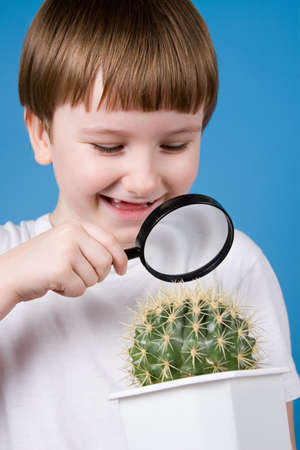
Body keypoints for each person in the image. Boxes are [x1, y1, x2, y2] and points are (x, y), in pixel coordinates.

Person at [0, 0, 298, 448]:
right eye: (107, 146)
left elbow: (271, 435)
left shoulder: (235, 264)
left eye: (175, 144)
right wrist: (9, 279)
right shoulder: (8, 255)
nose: (142, 180)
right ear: (42, 135)